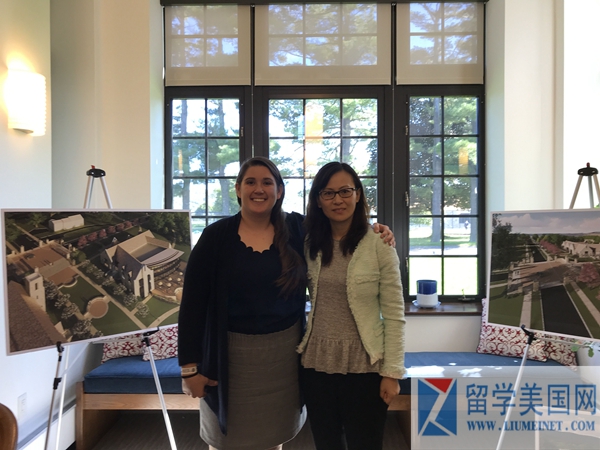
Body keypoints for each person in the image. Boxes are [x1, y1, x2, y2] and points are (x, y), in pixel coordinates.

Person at [178, 156, 395, 450]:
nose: (259, 189)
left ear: (279, 190)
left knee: (273, 438)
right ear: (238, 189)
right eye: (250, 182)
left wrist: (376, 229)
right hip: (227, 359)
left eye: (267, 182)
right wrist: (189, 367)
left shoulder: (297, 229)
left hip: (282, 358)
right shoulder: (215, 237)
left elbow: (340, 223)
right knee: (224, 441)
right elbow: (192, 305)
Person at [298, 161, 406, 450]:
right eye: (328, 193)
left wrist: (392, 372)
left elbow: (394, 314)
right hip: (316, 364)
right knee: (326, 444)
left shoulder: (379, 243)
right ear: (318, 200)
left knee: (366, 443)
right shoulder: (308, 243)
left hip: (366, 367)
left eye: (345, 191)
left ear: (358, 194)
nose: (338, 200)